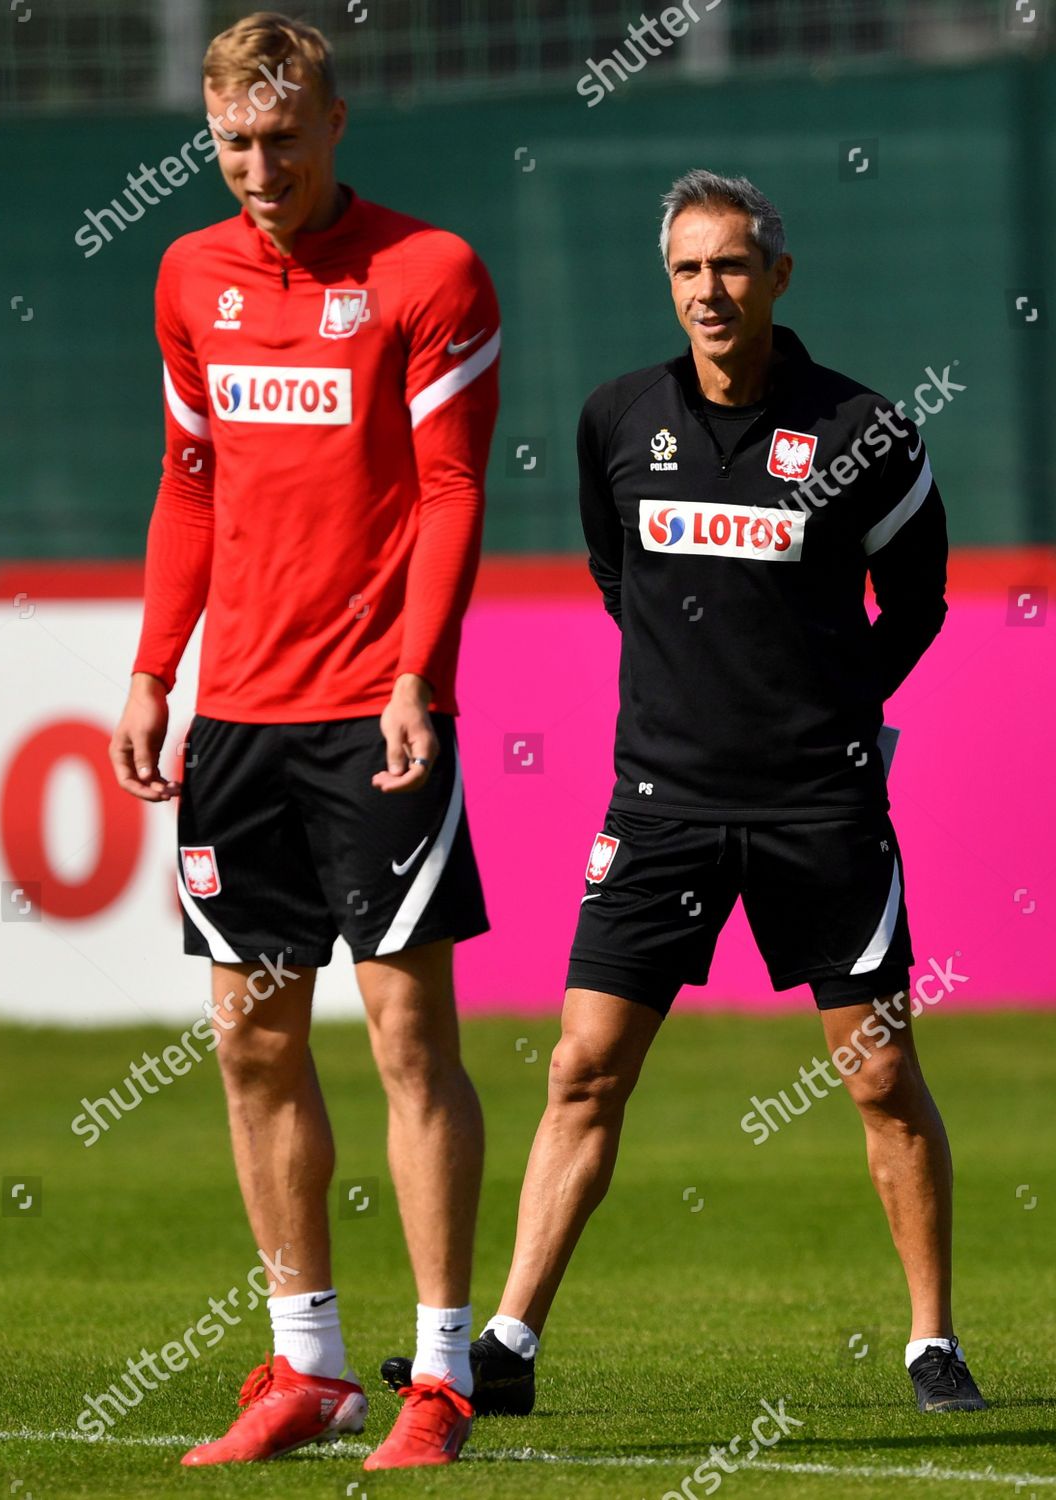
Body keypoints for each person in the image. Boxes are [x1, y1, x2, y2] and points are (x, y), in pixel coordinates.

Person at [382, 168, 986, 1418]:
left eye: (727, 265)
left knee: (876, 1076)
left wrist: (832, 708)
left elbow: (918, 600)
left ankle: (930, 1341)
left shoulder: (862, 432)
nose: (706, 292)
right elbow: (617, 577)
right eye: (684, 271)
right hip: (656, 805)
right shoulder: (615, 419)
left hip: (820, 808)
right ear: (667, 286)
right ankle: (506, 1347)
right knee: (581, 1070)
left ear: (776, 274)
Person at [108, 12, 499, 1471]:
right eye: (232, 143)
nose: (259, 167)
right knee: (252, 1041)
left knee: (410, 1038)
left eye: (283, 136)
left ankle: (443, 1378)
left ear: (339, 122)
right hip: (238, 727)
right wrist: (156, 671)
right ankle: (306, 1367)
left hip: (375, 722)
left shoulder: (430, 272)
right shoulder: (188, 275)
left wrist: (419, 673)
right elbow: (188, 486)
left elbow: (455, 492)